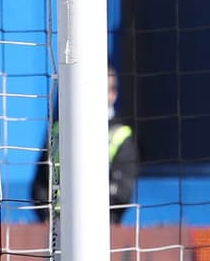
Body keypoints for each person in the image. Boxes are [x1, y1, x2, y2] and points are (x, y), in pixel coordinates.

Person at [32, 64, 139, 225]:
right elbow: (40, 183)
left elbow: (122, 193)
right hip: (56, 227)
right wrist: (49, 215)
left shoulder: (121, 135)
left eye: (98, 89)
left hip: (102, 228)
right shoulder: (57, 131)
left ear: (113, 94)